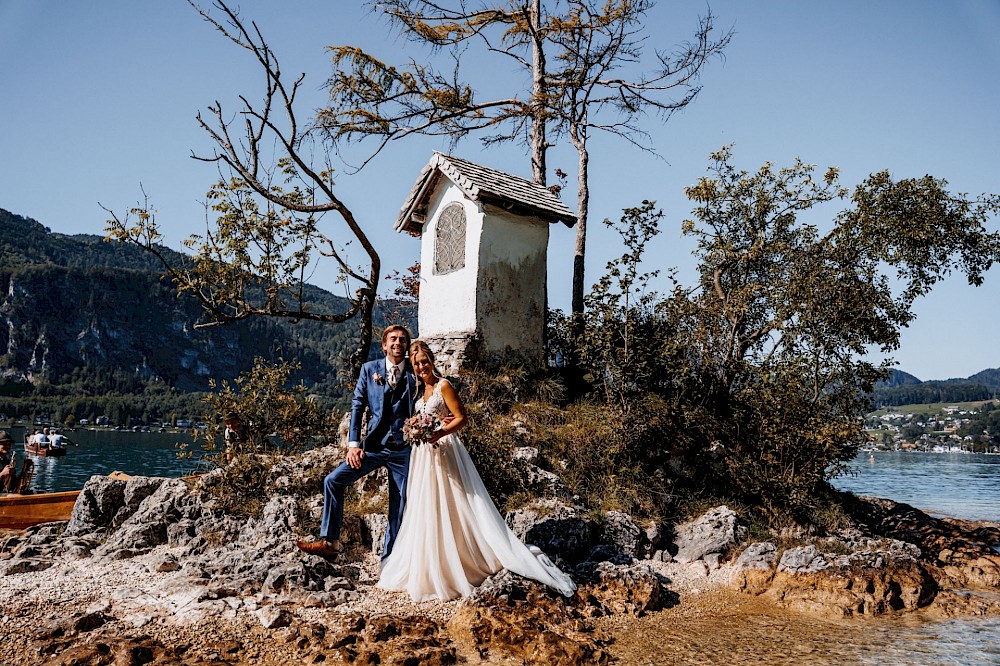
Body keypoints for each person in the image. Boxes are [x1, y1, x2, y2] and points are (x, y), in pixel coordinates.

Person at [377, 340, 577, 601]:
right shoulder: (418, 390)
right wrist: (414, 428)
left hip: (445, 449)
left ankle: (461, 561)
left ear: (431, 360)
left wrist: (438, 432)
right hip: (424, 456)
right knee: (427, 507)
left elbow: (462, 418)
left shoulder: (443, 386)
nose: (421, 366)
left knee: (455, 504)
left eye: (424, 361)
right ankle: (428, 564)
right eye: (416, 363)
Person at [295, 325, 417, 561]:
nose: (398, 343)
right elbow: (357, 406)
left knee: (400, 503)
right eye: (393, 339)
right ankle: (330, 542)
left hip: (404, 449)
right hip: (373, 446)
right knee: (333, 480)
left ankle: (389, 561)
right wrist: (353, 444)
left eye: (403, 340)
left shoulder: (415, 372)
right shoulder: (369, 369)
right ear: (384, 345)